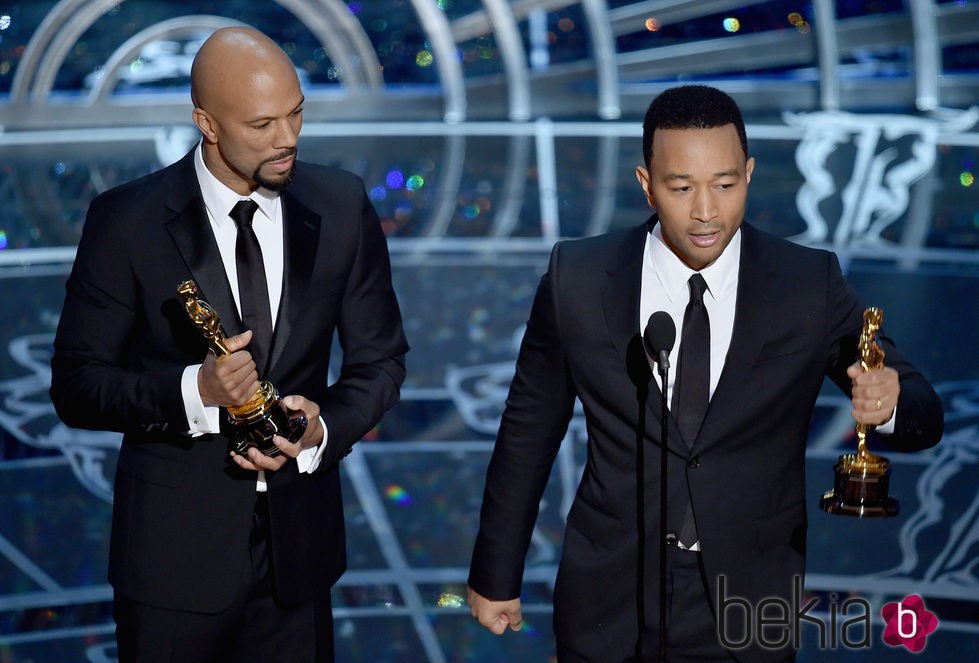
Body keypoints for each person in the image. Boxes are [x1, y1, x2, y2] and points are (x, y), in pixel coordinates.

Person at [466, 85, 943, 662]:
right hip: (609, 597)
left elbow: (919, 404)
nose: (705, 212)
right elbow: (527, 429)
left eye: (724, 185)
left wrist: (889, 402)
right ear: (646, 184)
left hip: (749, 602)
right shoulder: (579, 277)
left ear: (748, 173)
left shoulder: (806, 284)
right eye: (681, 187)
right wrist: (496, 571)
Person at [49, 27, 408, 663]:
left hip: (300, 560)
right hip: (170, 566)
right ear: (206, 124)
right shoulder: (125, 220)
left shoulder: (342, 203)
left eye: (297, 113)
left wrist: (324, 428)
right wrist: (197, 391)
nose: (289, 139)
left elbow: (380, 361)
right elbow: (77, 384)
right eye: (263, 124)